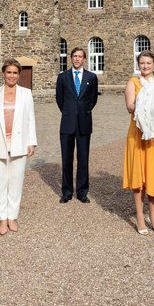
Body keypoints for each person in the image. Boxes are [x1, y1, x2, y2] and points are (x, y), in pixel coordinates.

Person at [122, 51, 154, 235]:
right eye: (142, 63)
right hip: (138, 133)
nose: (145, 66)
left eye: (148, 63)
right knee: (139, 175)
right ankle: (139, 215)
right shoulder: (133, 83)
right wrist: (145, 102)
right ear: (138, 64)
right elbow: (130, 106)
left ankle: (153, 215)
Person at [0, 59, 37, 235]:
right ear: (3, 74)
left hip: (19, 143)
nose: (12, 76)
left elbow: (30, 119)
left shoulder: (26, 93)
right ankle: (2, 218)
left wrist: (31, 141)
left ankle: (12, 216)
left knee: (16, 181)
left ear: (19, 74)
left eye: (15, 73)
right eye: (9, 72)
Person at [55, 47, 99, 203]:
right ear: (71, 58)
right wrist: (69, 112)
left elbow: (93, 99)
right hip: (67, 123)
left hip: (84, 122)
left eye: (80, 56)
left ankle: (82, 192)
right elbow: (59, 99)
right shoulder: (63, 77)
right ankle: (66, 192)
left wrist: (83, 111)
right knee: (66, 159)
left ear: (84, 59)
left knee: (83, 158)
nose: (77, 59)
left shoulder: (92, 77)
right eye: (74, 56)